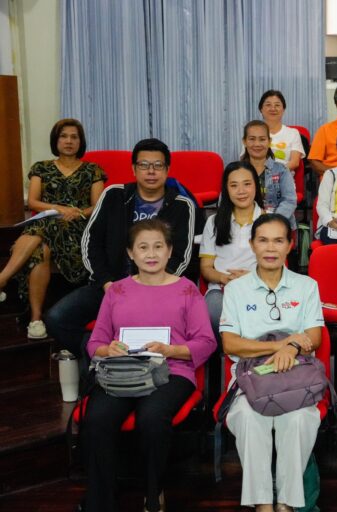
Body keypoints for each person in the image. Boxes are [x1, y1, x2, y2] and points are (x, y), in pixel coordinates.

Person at [82, 219, 216, 512]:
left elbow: (206, 342)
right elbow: (95, 343)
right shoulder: (116, 291)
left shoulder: (187, 290)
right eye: (143, 247)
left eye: (158, 246)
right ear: (131, 253)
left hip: (172, 371)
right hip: (122, 371)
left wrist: (171, 350)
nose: (151, 254)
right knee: (97, 418)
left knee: (152, 417)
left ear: (169, 251)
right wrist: (108, 349)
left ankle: (154, 494)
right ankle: (101, 501)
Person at [44, 138, 197, 361]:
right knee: (57, 318)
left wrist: (151, 288)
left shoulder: (182, 205)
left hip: (157, 291)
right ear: (134, 169)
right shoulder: (114, 195)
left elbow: (182, 256)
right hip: (109, 286)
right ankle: (96, 353)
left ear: (167, 170)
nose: (151, 171)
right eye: (144, 165)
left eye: (158, 165)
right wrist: (106, 282)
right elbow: (91, 242)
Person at [220, 214, 325, 511]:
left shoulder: (306, 286)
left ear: (290, 245)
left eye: (278, 241)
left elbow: (314, 337)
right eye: (263, 240)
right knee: (248, 418)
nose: (270, 248)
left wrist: (292, 349)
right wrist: (284, 344)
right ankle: (263, 504)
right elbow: (231, 344)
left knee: (300, 419)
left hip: (296, 377)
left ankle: (287, 505)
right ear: (252, 244)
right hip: (249, 378)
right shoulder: (236, 289)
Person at [0, 119, 105, 339]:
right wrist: (58, 209)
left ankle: (3, 279)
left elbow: (97, 206)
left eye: (74, 137)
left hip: (77, 228)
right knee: (41, 249)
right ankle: (36, 320)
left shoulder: (92, 170)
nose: (69, 141)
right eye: (63, 136)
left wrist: (76, 213)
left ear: (81, 142)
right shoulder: (41, 168)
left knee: (42, 226)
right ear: (55, 140)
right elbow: (33, 202)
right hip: (48, 224)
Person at [200, 161, 264, 336]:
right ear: (226, 189)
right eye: (234, 185)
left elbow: (278, 265)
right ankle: (227, 351)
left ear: (256, 186)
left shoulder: (269, 219)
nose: (241, 191)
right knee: (213, 312)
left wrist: (251, 278)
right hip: (222, 288)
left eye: (247, 184)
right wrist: (225, 278)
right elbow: (206, 267)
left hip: (260, 286)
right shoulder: (214, 222)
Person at [241, 120, 298, 233]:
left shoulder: (282, 170)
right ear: (244, 142)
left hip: (276, 226)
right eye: (252, 139)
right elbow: (227, 201)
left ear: (269, 141)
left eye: (262, 139)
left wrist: (272, 222)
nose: (257, 144)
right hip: (244, 226)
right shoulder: (237, 171)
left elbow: (289, 201)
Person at [259, 90, 305, 173]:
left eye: (277, 105)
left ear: (283, 110)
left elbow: (294, 163)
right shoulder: (253, 132)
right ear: (261, 109)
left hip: (283, 177)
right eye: (268, 105)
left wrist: (274, 174)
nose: (273, 108)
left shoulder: (293, 133)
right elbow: (246, 160)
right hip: (258, 176)